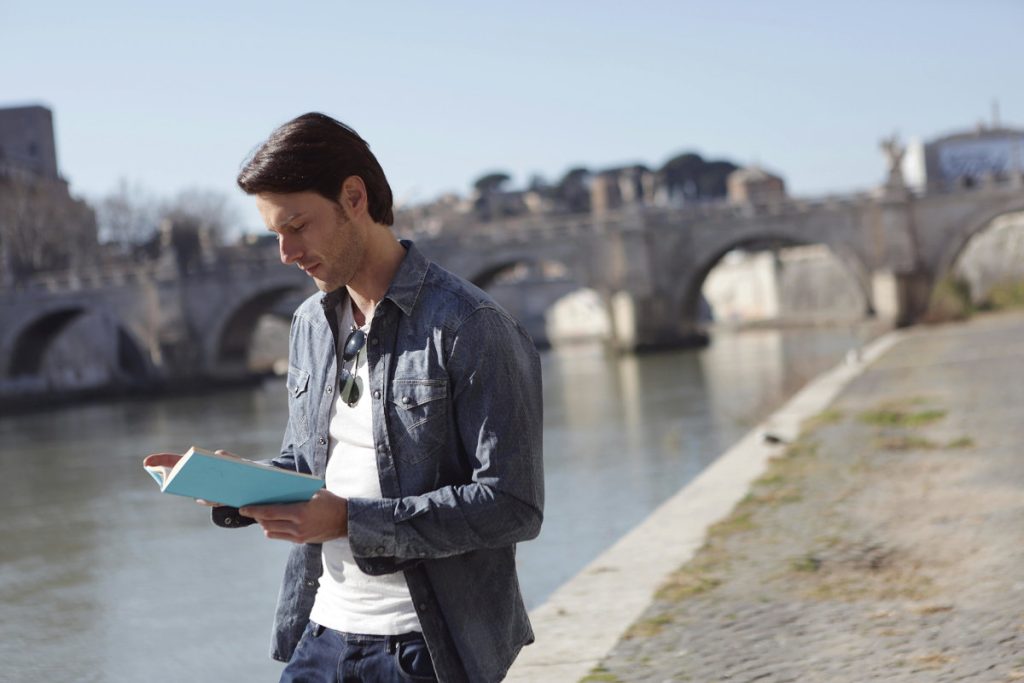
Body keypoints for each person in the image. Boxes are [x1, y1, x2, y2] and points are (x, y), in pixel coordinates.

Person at [144, 113, 544, 682]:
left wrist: (353, 523)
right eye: (274, 234)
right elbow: (307, 468)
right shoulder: (308, 323)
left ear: (354, 197)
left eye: (298, 225)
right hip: (321, 632)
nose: (285, 252)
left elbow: (514, 505)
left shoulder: (470, 326)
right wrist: (236, 480)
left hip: (424, 649)